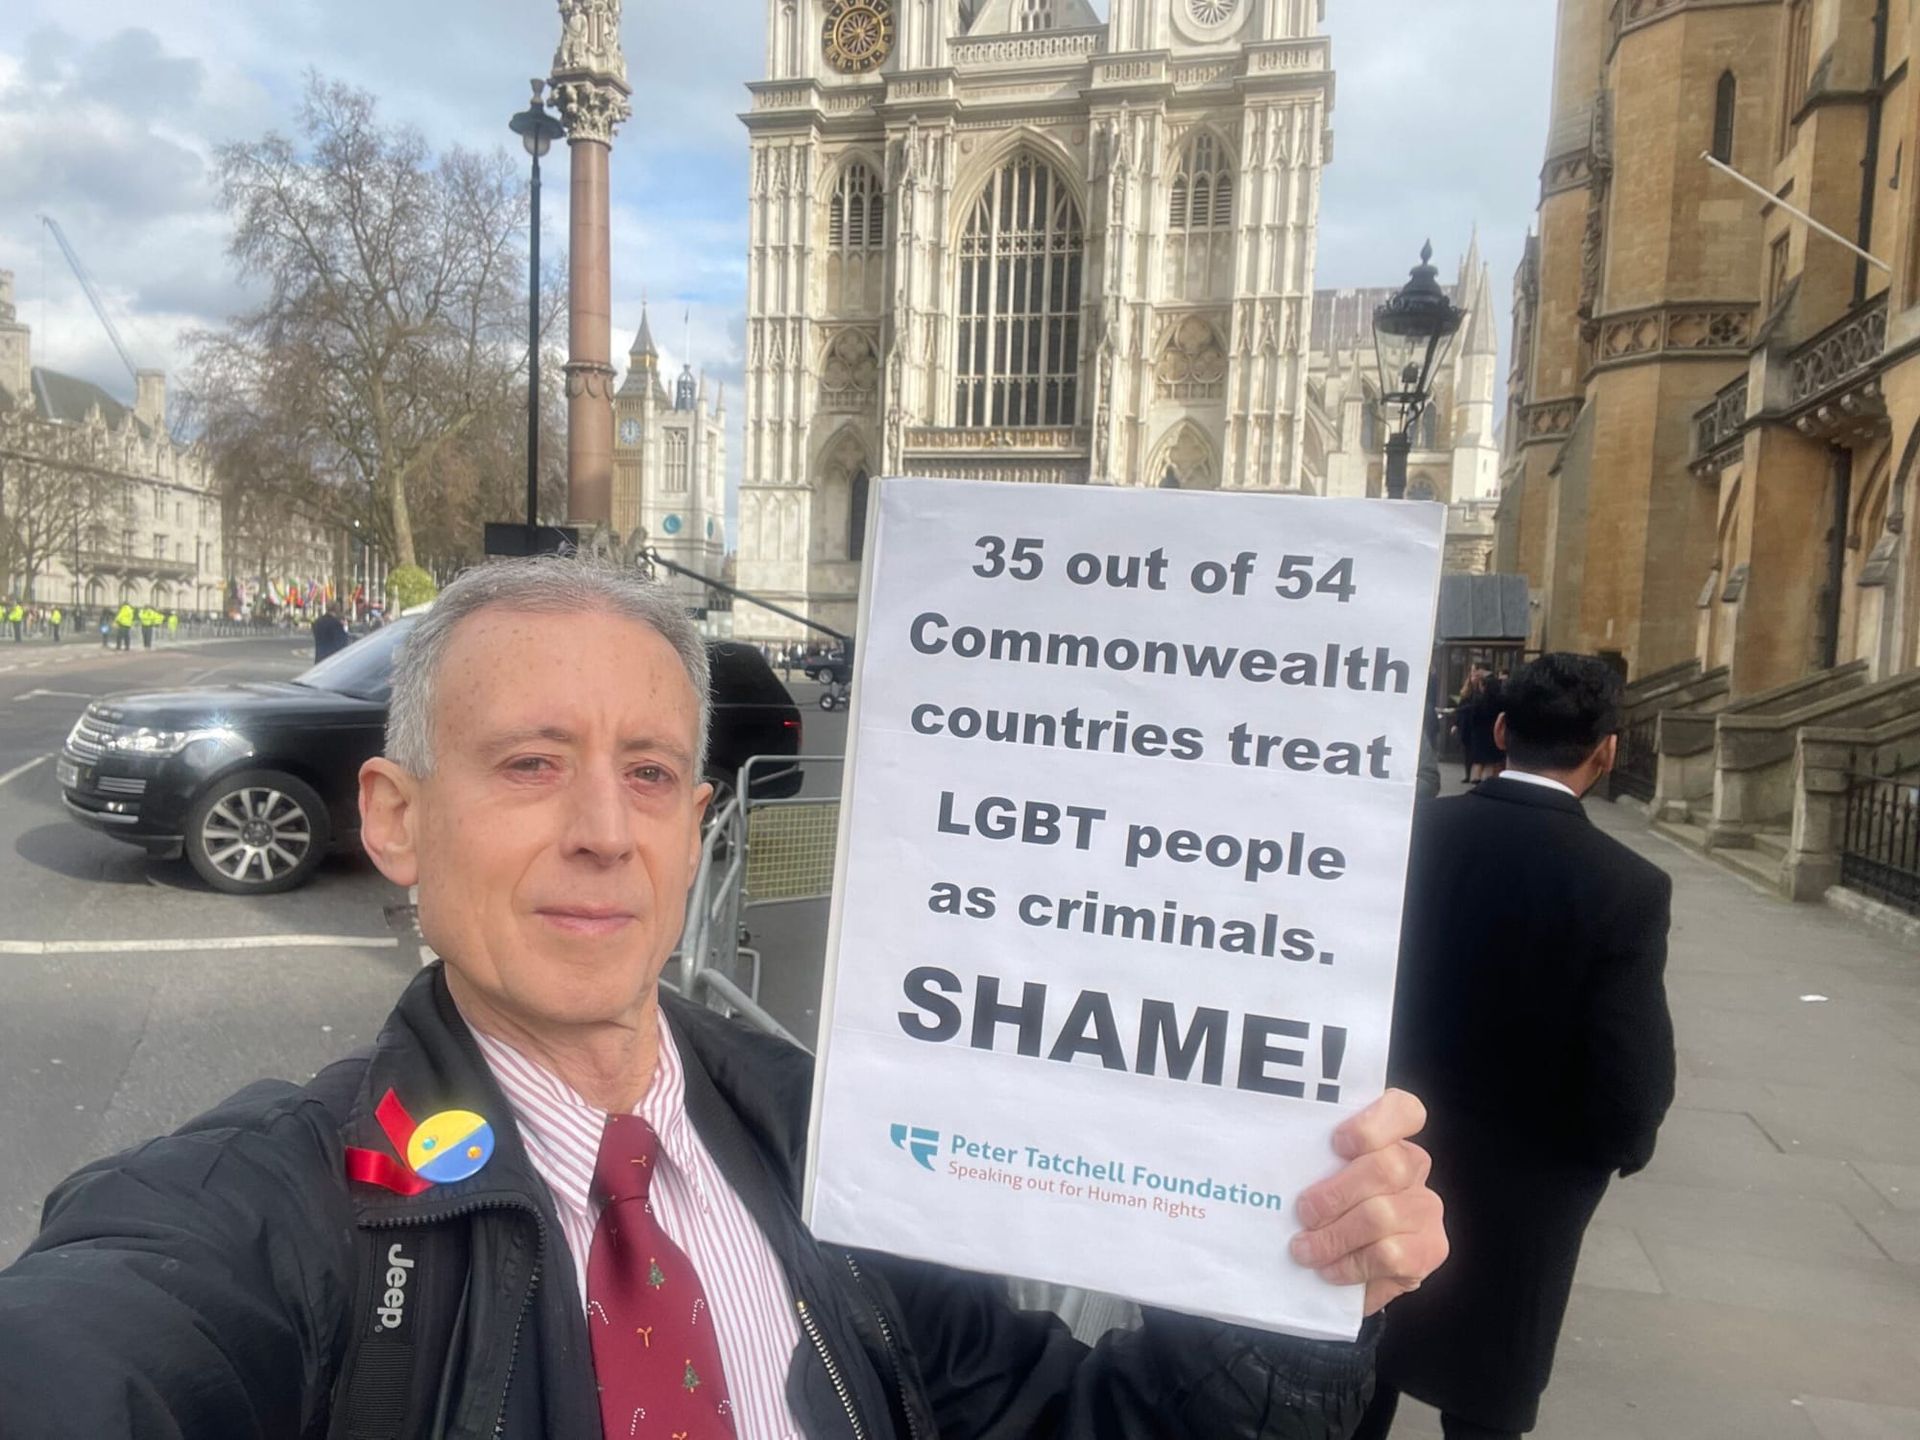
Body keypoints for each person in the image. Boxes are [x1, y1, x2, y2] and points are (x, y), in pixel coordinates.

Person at [0, 559, 1448, 1438]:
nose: (603, 833)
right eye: (526, 764)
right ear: (392, 818)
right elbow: (102, 1346)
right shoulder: (274, 1212)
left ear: (698, 822)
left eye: (647, 774)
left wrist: (1287, 1285)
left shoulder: (835, 1149)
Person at [1353, 653, 1677, 1440]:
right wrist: (1615, 1150)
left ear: (1500, 731)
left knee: (1357, 1376)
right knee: (1485, 1400)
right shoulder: (1626, 885)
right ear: (1605, 751)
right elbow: (1630, 1075)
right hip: (1526, 1191)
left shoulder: (1408, 834)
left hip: (1384, 1152)